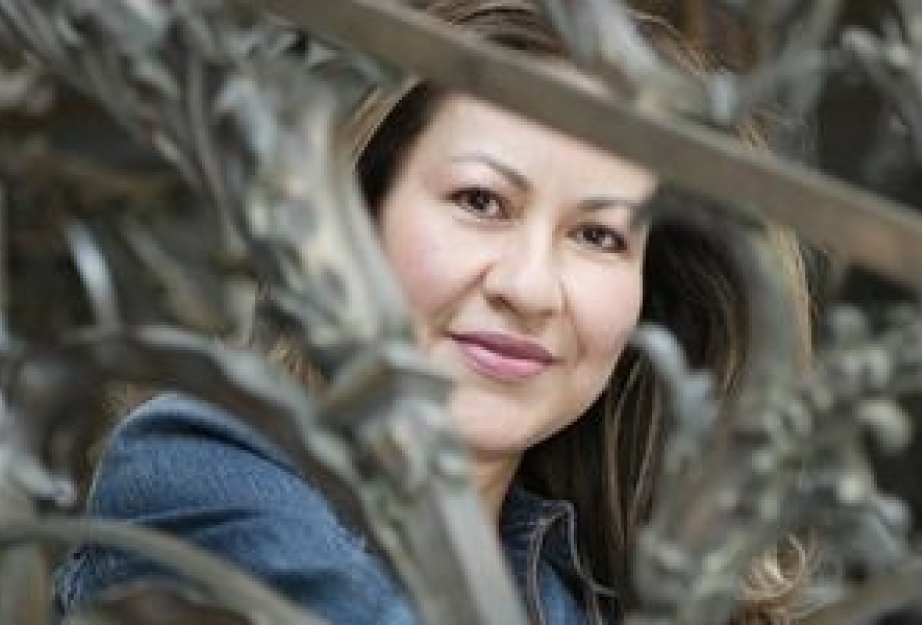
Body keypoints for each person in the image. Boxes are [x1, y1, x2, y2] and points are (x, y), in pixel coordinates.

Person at [55, 0, 813, 623]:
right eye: (481, 201)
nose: (530, 286)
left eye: (597, 234)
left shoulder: (579, 584)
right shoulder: (199, 466)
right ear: (361, 214)